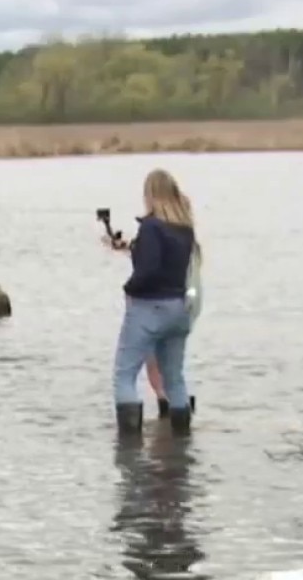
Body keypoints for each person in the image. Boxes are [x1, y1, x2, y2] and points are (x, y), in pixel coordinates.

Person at [104, 168, 200, 436]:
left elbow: (149, 270)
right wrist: (132, 248)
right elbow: (165, 263)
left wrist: (129, 288)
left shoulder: (151, 226)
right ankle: (182, 442)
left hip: (149, 307)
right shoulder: (184, 229)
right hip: (179, 309)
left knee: (124, 375)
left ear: (150, 194)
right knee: (175, 378)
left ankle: (129, 455)